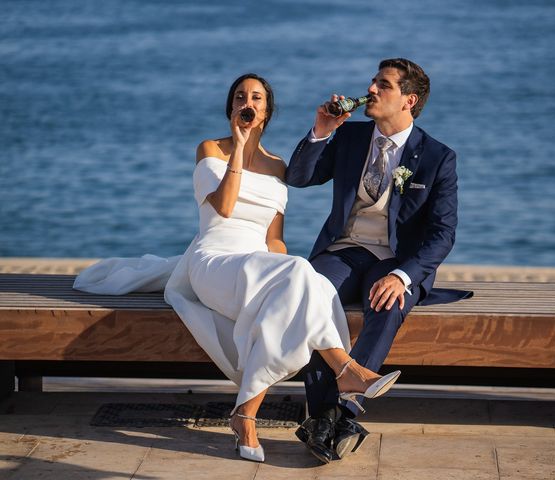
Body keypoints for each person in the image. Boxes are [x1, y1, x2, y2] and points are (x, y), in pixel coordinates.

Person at [73, 73, 401, 464]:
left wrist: (285, 278)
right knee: (299, 275)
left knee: (301, 277)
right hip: (212, 261)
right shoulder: (211, 149)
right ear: (232, 108)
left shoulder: (279, 166)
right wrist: (240, 146)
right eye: (240, 96)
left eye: (257, 97)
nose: (248, 102)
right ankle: (344, 369)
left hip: (256, 263)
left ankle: (245, 415)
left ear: (266, 111)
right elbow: (224, 207)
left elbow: (274, 239)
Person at [286, 58, 471, 463]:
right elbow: (298, 178)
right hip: (345, 249)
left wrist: (404, 275)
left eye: (382, 85)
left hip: (397, 258)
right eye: (373, 82)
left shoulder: (438, 157)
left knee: (387, 302)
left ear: (409, 100)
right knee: (313, 297)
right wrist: (321, 132)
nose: (371, 89)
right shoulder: (350, 137)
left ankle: (332, 415)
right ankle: (331, 418)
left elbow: (443, 234)